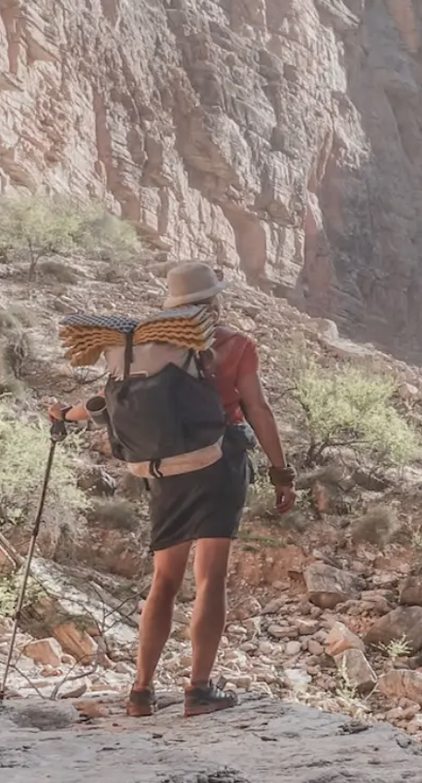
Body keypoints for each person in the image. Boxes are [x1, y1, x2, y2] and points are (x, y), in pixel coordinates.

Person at [50, 261, 296, 718]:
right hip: (218, 464)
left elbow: (106, 402)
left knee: (164, 580)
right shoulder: (234, 344)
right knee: (210, 579)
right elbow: (257, 408)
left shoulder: (147, 345)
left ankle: (141, 691)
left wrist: (65, 415)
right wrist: (282, 473)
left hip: (164, 471)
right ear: (213, 300)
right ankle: (198, 689)